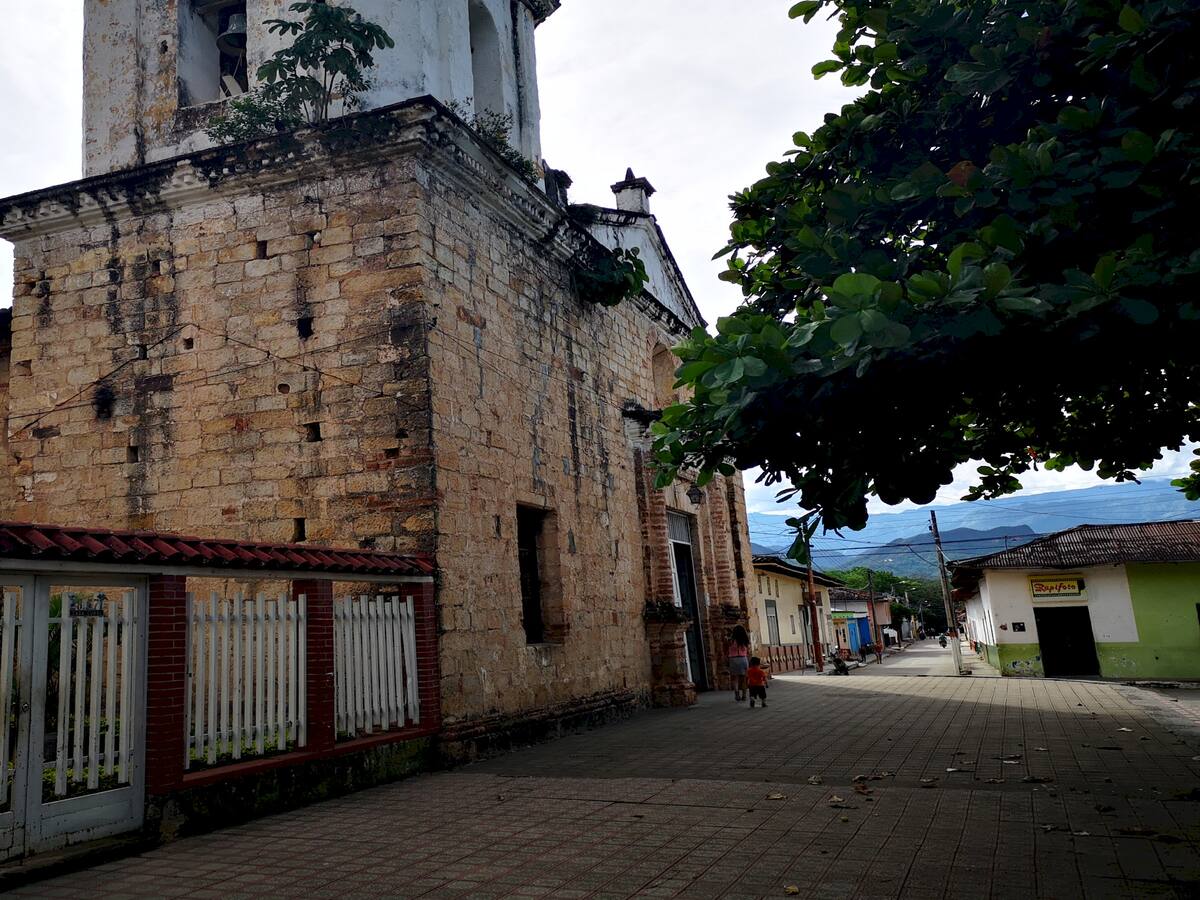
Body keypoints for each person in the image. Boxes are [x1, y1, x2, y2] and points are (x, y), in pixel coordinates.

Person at [728, 624, 751, 701]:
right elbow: (748, 650)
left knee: (735, 679)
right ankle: (744, 695)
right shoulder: (745, 640)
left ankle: (737, 694)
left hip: (733, 659)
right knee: (744, 679)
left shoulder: (731, 640)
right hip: (743, 659)